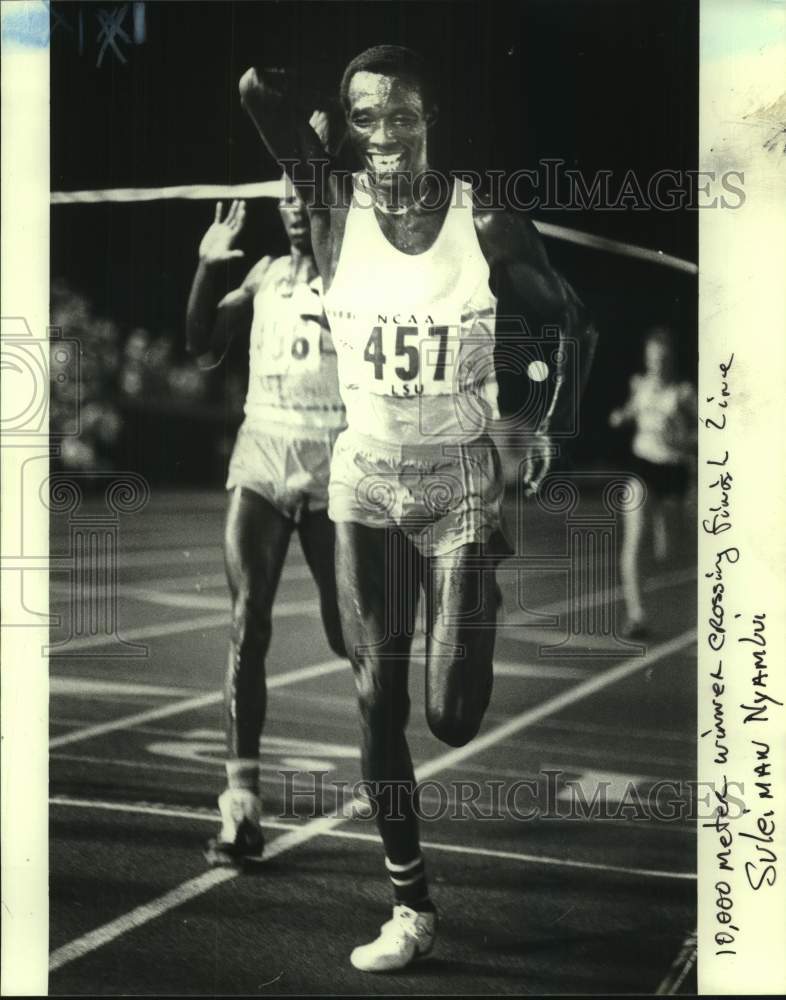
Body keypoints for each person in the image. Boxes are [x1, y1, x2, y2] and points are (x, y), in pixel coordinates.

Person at [239, 44, 596, 970]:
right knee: (373, 695)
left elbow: (569, 319)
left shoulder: (487, 220)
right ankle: (410, 907)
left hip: (459, 481)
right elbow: (252, 89)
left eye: (402, 114)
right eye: (367, 118)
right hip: (363, 479)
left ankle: (477, 597)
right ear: (347, 130)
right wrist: (311, 118)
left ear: (430, 117)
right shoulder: (328, 204)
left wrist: (543, 414)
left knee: (452, 716)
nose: (386, 134)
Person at [185, 189, 347, 866]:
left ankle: (388, 779)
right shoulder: (262, 276)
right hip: (263, 450)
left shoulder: (354, 277)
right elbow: (201, 347)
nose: (291, 209)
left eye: (304, 197)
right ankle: (241, 809)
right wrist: (204, 268)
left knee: (352, 635)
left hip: (336, 457)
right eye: (282, 198)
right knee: (248, 620)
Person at [609, 325, 696, 638]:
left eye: (662, 358)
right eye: (652, 357)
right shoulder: (640, 386)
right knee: (634, 537)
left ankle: (664, 525)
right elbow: (629, 412)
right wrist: (620, 416)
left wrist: (683, 436)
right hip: (642, 467)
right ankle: (637, 615)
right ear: (647, 359)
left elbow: (708, 431)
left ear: (670, 360)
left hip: (672, 471)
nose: (657, 363)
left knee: (667, 553)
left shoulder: (683, 393)